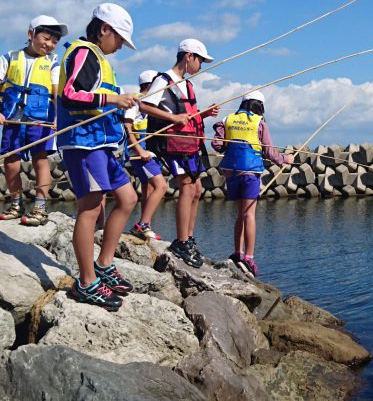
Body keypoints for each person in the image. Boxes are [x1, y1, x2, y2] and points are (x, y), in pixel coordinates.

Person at [57, 3, 140, 309]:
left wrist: (119, 103)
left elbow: (94, 98)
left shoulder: (99, 58)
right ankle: (87, 281)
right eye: (119, 38)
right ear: (104, 29)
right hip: (83, 143)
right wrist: (114, 98)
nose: (119, 46)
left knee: (128, 198)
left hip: (101, 144)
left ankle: (104, 264)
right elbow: (71, 94)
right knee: (90, 207)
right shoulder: (83, 52)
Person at [140, 39, 220, 267]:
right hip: (173, 145)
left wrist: (203, 115)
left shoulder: (187, 84)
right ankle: (181, 241)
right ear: (188, 57)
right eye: (200, 61)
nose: (201, 66)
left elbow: (187, 115)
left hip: (190, 144)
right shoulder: (163, 81)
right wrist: (173, 119)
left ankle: (189, 236)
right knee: (186, 186)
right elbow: (144, 105)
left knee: (197, 189)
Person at [0, 15, 66, 227]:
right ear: (31, 34)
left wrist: (59, 117)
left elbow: (57, 90)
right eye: (46, 38)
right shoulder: (10, 57)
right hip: (13, 118)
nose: (49, 44)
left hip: (41, 120)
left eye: (54, 41)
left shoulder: (54, 62)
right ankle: (15, 202)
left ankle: (40, 206)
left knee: (40, 159)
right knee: (11, 161)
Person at [212, 90, 293, 277]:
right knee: (250, 215)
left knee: (240, 214)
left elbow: (217, 145)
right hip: (250, 172)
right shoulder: (259, 123)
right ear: (260, 105)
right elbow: (270, 153)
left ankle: (237, 253)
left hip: (231, 172)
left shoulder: (227, 120)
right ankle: (249, 259)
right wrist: (285, 160)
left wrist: (228, 144)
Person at [123, 69, 167, 240]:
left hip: (150, 153)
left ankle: (144, 224)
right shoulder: (136, 102)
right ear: (150, 85)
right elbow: (127, 127)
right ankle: (143, 224)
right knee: (161, 186)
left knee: (147, 189)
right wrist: (140, 151)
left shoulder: (151, 104)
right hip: (140, 154)